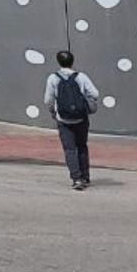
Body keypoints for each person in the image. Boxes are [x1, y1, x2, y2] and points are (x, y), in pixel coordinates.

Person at [44, 49, 100, 190]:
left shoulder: (53, 78)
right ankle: (85, 177)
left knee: (70, 149)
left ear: (59, 62)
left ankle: (76, 179)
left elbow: (48, 100)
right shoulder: (81, 77)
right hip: (81, 118)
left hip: (63, 119)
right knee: (82, 146)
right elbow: (95, 93)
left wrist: (53, 112)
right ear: (72, 61)